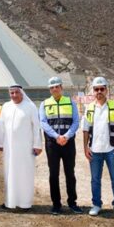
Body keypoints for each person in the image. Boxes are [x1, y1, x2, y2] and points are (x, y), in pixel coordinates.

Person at [82, 77, 114, 218]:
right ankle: (96, 204)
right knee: (95, 179)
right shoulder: (89, 108)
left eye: (102, 89)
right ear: (93, 91)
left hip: (112, 150)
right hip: (94, 151)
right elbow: (85, 129)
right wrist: (85, 148)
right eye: (96, 89)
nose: (99, 91)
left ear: (106, 90)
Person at [39, 76, 82, 215]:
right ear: (49, 89)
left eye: (57, 86)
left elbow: (76, 121)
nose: (54, 89)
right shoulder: (44, 104)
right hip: (52, 144)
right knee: (53, 174)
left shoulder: (70, 102)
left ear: (61, 87)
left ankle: (72, 203)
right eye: (52, 87)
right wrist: (57, 136)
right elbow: (43, 123)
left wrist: (66, 136)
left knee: (70, 173)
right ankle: (56, 204)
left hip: (68, 143)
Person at [0, 84, 42, 210]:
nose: (14, 95)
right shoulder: (6, 106)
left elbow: (36, 126)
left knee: (24, 174)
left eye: (16, 92)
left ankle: (25, 203)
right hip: (9, 148)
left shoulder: (30, 106)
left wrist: (37, 145)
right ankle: (10, 202)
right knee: (10, 173)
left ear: (21, 93)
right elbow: (1, 125)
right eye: (11, 93)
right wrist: (1, 143)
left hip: (25, 148)